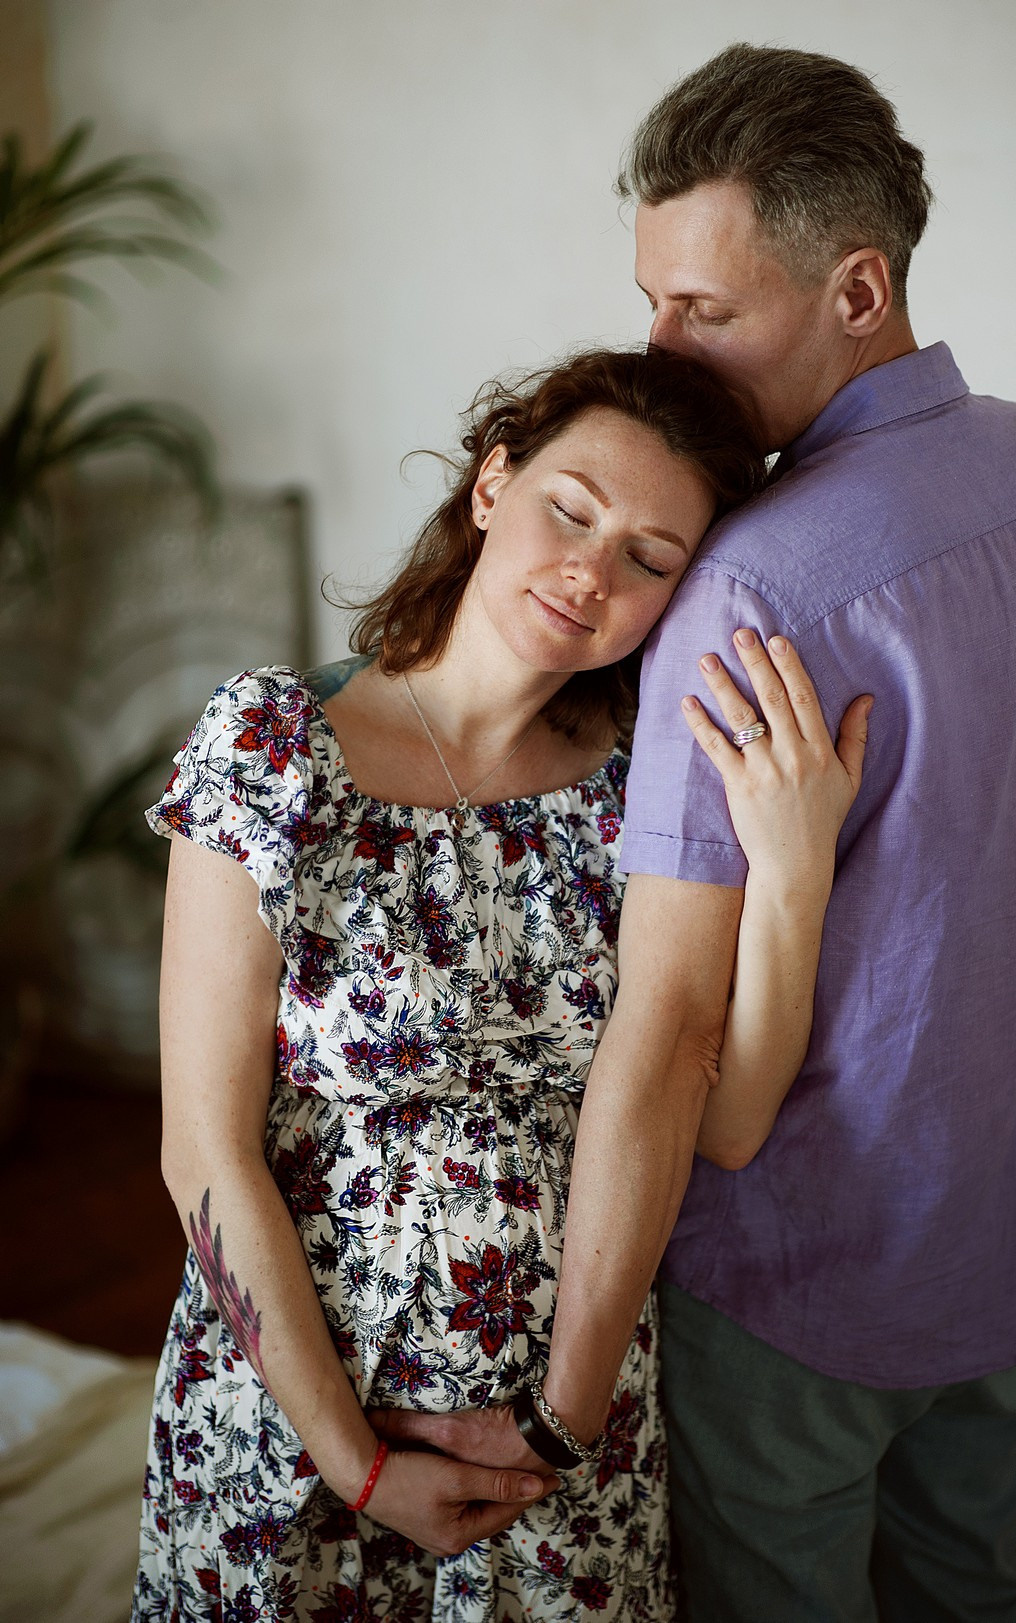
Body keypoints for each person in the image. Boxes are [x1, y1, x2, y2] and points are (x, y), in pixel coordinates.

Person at [383, 43, 1016, 1623]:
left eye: (707, 311)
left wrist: (558, 1413)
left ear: (858, 287)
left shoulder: (747, 589)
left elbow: (672, 1034)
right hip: (1014, 1238)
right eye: (651, 300)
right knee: (974, 1585)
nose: (663, 349)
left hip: (802, 1286)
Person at [132, 346, 870, 1621]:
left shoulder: (645, 788)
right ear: (492, 485)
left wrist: (793, 873)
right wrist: (355, 1465)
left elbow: (731, 1119)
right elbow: (201, 1150)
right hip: (296, 1418)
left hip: (561, 1441)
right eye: (568, 508)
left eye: (651, 557)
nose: (590, 570)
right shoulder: (269, 745)